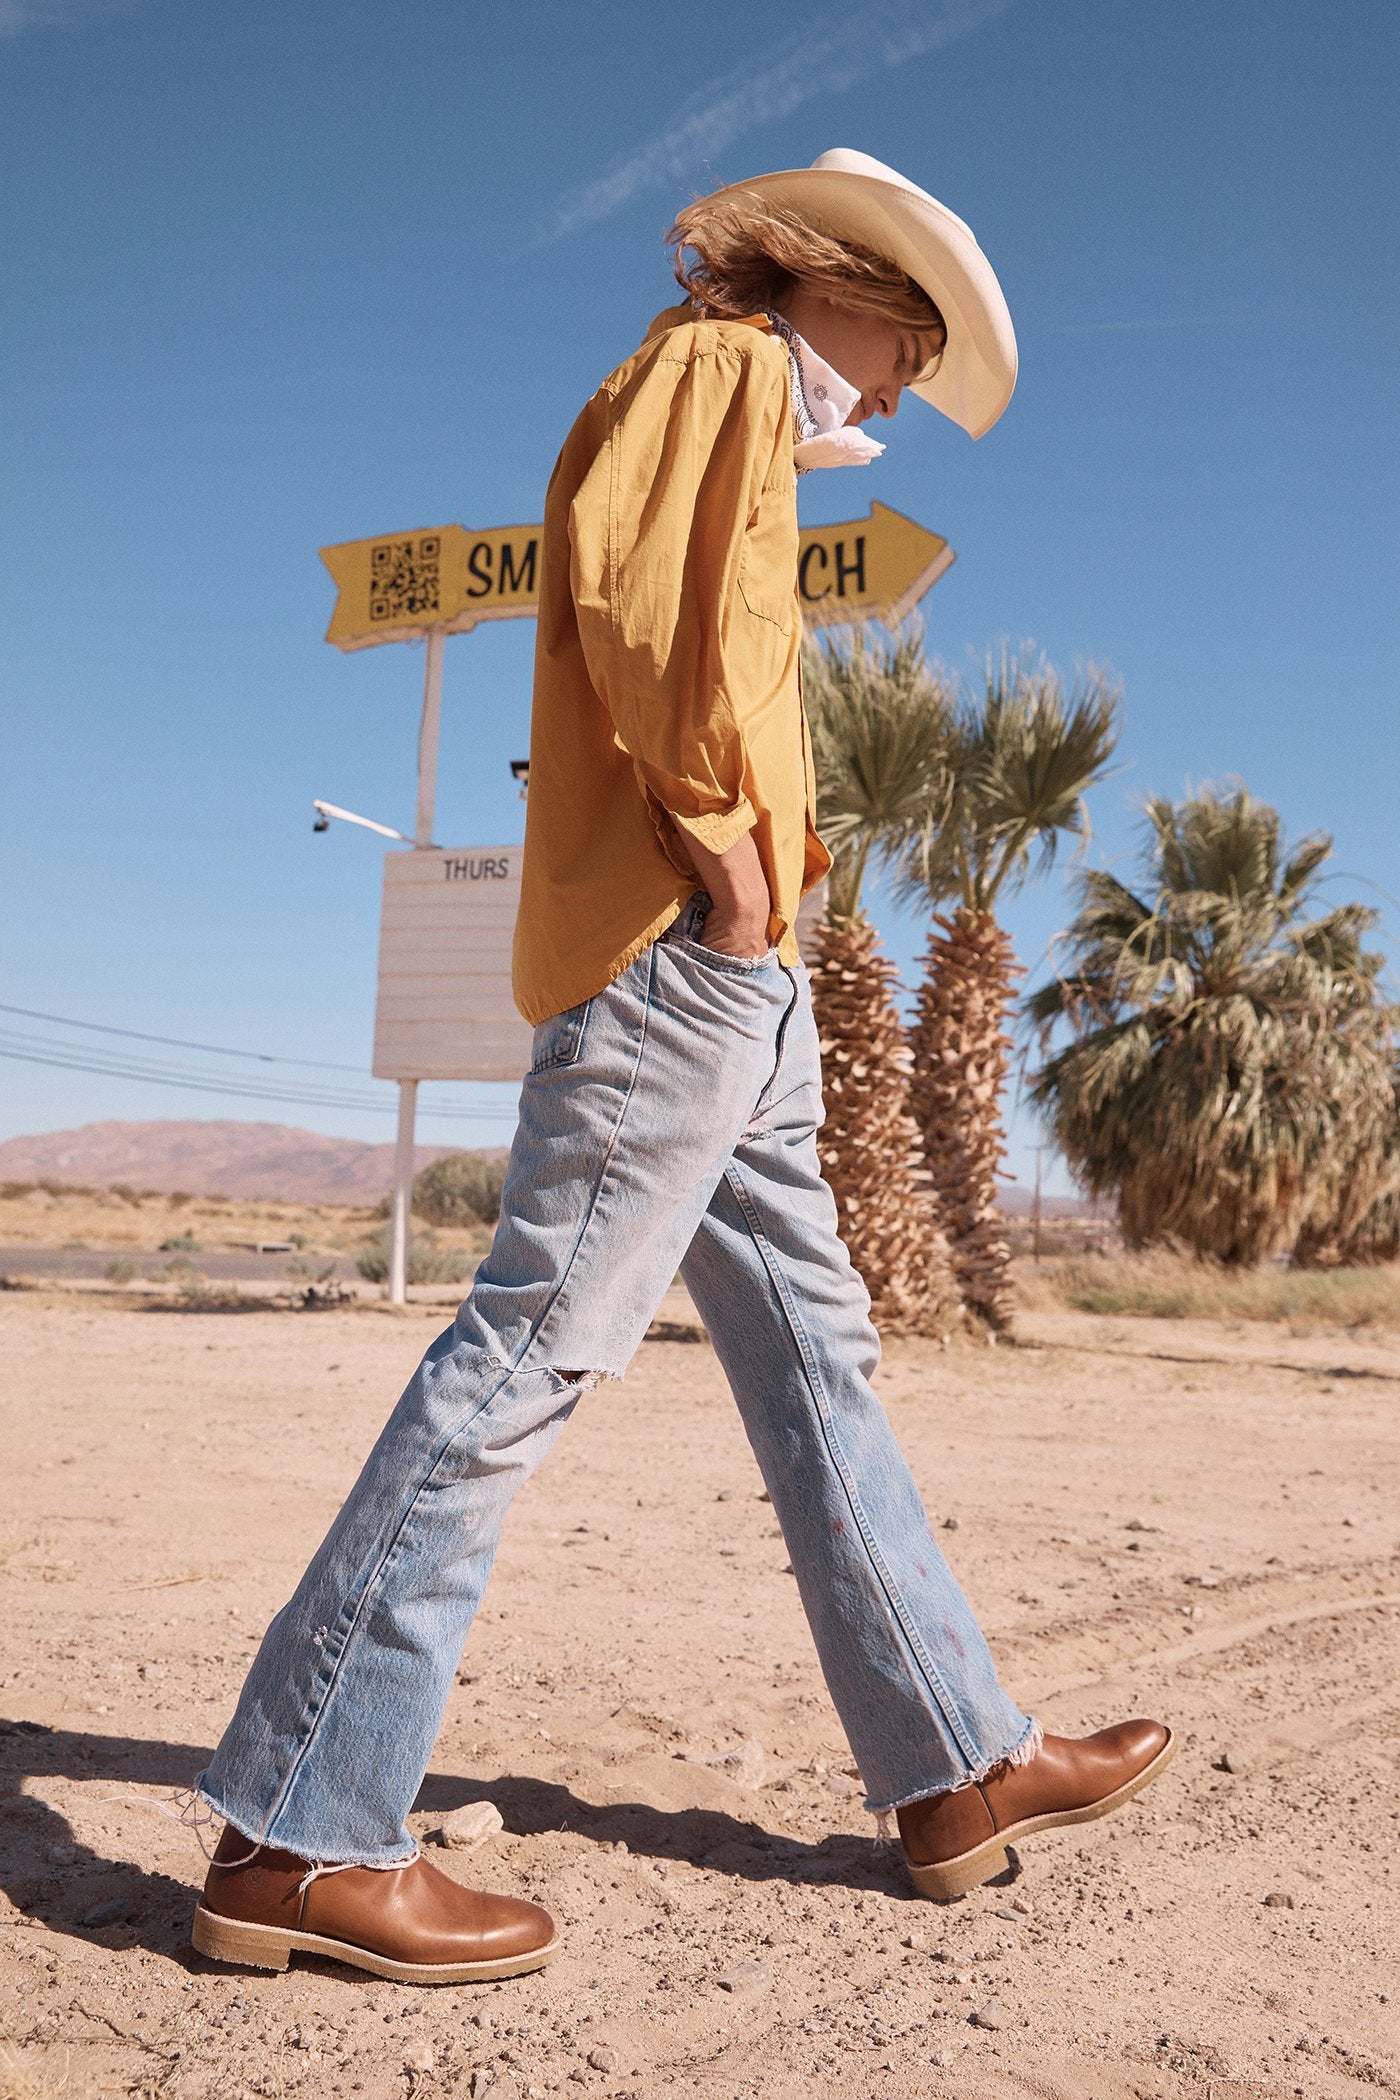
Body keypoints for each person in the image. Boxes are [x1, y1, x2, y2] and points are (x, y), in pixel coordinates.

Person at [188, 149, 1174, 1987]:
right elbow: (652, 622)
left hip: (743, 978)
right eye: (909, 341)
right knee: (528, 1349)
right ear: (838, 281)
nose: (902, 390)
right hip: (681, 961)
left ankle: (956, 1765)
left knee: (818, 1357)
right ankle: (299, 1831)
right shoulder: (714, 368)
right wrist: (726, 863)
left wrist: (762, 920)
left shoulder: (737, 404)